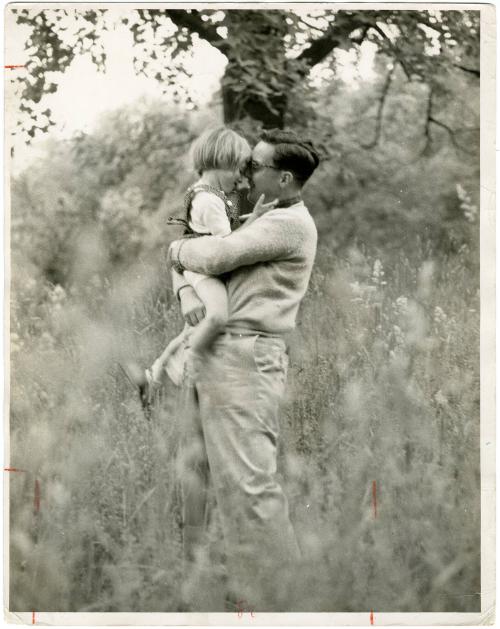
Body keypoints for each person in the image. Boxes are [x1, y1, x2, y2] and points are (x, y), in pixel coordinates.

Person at [169, 128, 320, 610]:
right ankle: (214, 595)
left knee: (251, 486)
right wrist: (185, 288)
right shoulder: (266, 216)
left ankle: (281, 603)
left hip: (245, 358)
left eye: (255, 167)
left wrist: (174, 250)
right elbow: (206, 270)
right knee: (199, 480)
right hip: (222, 353)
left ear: (285, 178)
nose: (245, 173)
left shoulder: (289, 225)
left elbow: (212, 255)